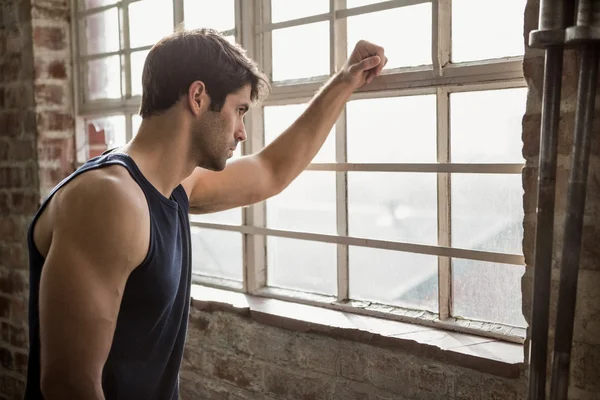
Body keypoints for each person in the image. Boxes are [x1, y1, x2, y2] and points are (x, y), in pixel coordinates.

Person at [24, 28, 387, 400]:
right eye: (239, 110)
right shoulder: (108, 200)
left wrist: (345, 81)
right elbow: (69, 386)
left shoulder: (174, 185)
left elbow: (272, 171)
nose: (242, 132)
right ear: (198, 97)